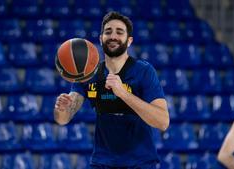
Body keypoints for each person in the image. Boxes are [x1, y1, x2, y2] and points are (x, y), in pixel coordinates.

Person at [54, 11, 170, 168]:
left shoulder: (144, 71)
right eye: (108, 32)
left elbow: (163, 122)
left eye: (119, 32)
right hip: (103, 163)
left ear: (129, 41)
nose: (113, 36)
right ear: (101, 39)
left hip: (140, 163)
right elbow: (63, 119)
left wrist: (123, 93)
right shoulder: (88, 74)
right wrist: (62, 108)